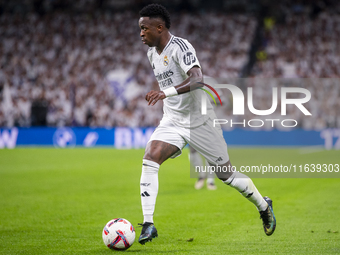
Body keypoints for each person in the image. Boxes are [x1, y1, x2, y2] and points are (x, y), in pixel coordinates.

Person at [138, 3, 276, 245]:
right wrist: (167, 97)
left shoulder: (181, 47)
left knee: (226, 174)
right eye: (140, 29)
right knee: (151, 156)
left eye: (144, 28)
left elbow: (198, 80)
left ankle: (263, 205)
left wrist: (165, 93)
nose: (141, 33)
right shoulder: (151, 53)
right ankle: (148, 224)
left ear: (159, 28)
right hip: (172, 119)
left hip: (200, 121)